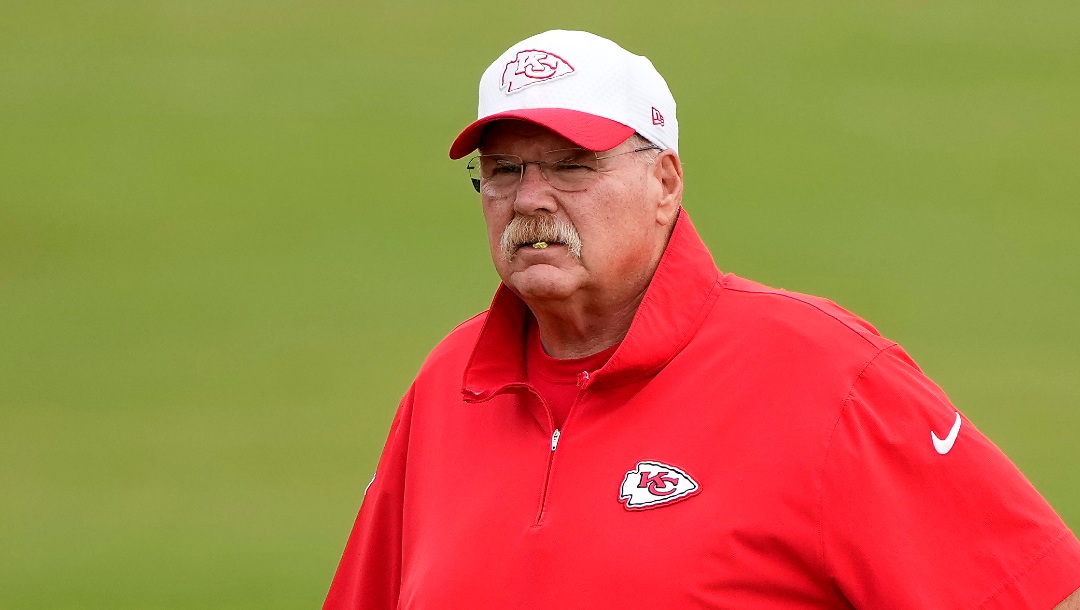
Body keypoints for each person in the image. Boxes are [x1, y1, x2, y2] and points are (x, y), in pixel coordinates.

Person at [325, 30, 1080, 609]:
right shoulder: (446, 388)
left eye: (571, 166)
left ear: (664, 181)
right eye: (504, 171)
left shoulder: (825, 374)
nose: (529, 200)